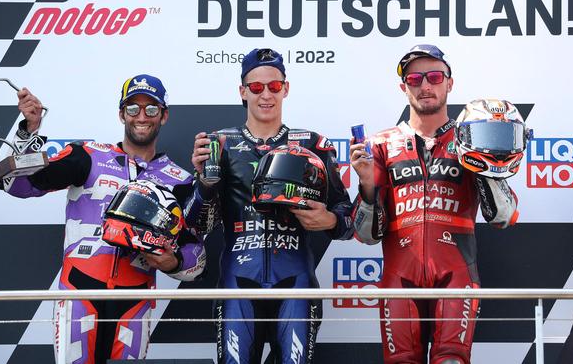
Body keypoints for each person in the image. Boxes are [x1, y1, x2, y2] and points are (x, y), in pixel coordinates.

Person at [1, 74, 206, 364]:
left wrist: (173, 262)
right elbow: (16, 185)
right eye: (133, 108)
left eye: (151, 109)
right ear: (122, 113)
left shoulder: (180, 181)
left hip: (135, 300)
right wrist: (28, 132)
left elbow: (196, 256)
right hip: (78, 292)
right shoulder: (87, 156)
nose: (142, 117)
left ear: (164, 115)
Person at [349, 45, 519, 364]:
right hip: (399, 278)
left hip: (457, 273)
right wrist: (367, 186)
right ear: (404, 87)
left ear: (449, 84)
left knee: (451, 360)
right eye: (415, 79)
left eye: (434, 76)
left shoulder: (472, 136)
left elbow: (505, 218)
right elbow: (366, 235)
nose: (425, 85)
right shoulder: (380, 145)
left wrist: (490, 166)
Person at [188, 48, 354, 363]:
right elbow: (197, 226)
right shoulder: (218, 144)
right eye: (256, 87)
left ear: (286, 88)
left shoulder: (312, 144)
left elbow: (347, 218)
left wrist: (329, 220)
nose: (266, 95)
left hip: (296, 283)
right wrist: (204, 186)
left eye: (274, 86)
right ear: (242, 92)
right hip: (238, 282)